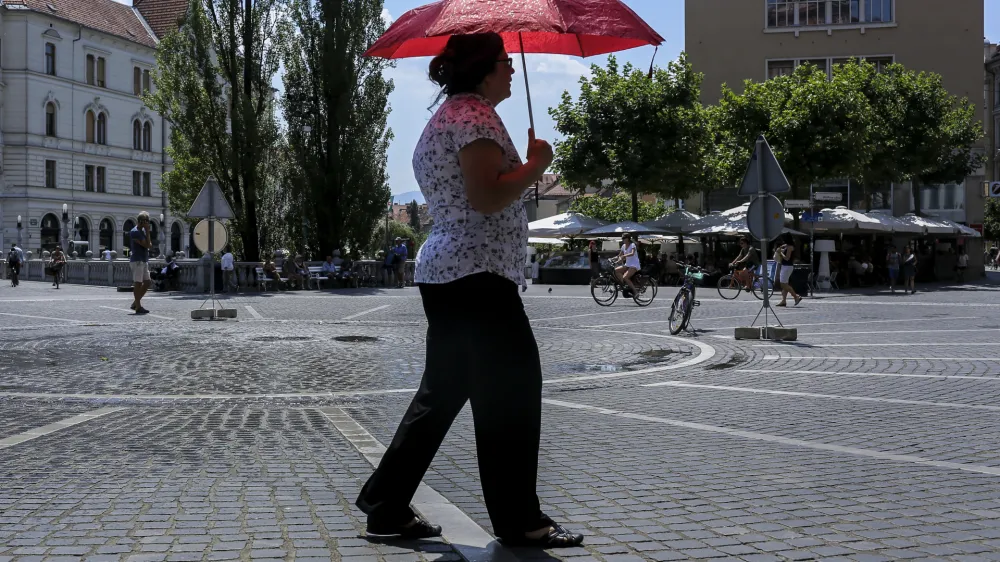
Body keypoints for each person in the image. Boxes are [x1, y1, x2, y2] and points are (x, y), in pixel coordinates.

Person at [355, 32, 583, 549]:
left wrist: (521, 168)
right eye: (506, 62)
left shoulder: (448, 116)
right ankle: (520, 520)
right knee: (512, 393)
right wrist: (536, 166)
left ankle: (387, 505)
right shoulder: (475, 118)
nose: (513, 70)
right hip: (476, 275)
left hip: (451, 273)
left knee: (441, 395)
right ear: (483, 69)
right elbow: (485, 196)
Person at [129, 212, 153, 314]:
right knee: (138, 283)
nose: (148, 224)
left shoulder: (142, 231)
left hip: (143, 260)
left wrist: (147, 232)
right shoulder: (135, 232)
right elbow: (146, 245)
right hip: (137, 260)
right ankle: (138, 307)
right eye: (146, 221)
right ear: (141, 221)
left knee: (147, 282)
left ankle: (135, 302)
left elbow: (150, 245)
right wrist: (147, 232)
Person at [775, 236, 801, 307]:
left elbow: (787, 258)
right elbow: (782, 247)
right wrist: (780, 248)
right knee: (785, 285)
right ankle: (783, 301)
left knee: (783, 284)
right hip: (785, 266)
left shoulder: (790, 247)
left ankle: (796, 296)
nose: (783, 242)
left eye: (784, 240)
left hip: (787, 266)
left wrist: (781, 253)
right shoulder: (787, 246)